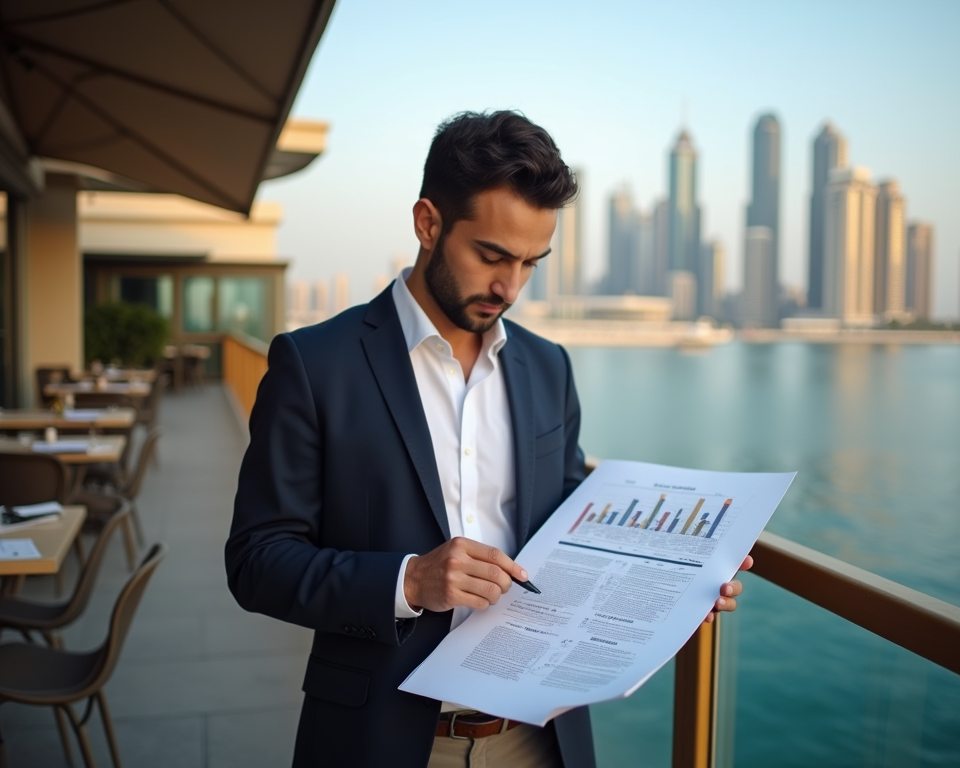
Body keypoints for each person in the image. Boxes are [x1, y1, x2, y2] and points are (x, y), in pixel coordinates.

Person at [225, 110, 751, 768]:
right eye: (492, 256)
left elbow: (569, 525)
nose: (510, 287)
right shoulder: (314, 364)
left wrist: (680, 580)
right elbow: (256, 561)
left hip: (538, 739)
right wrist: (410, 580)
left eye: (532, 263)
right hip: (383, 740)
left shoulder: (548, 366)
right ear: (427, 223)